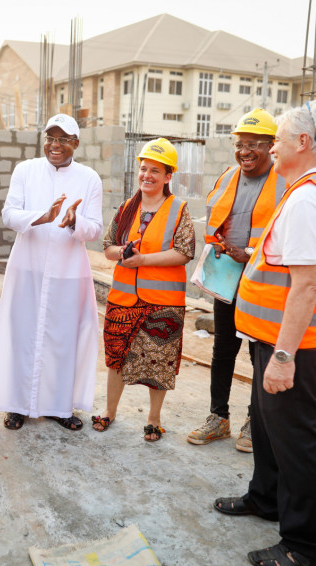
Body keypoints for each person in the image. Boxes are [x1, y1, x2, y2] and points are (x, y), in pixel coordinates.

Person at [214, 101, 316, 566]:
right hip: (272, 340)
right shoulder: (302, 191)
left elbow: (306, 285)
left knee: (297, 444)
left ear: (303, 143)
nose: (272, 147)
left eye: (280, 139)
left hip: (294, 348)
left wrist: (284, 357)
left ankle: (303, 546)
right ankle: (265, 498)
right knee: (270, 432)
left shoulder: (309, 199)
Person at [0, 114, 103, 432]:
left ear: (76, 143)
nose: (55, 145)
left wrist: (74, 221)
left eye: (63, 139)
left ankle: (59, 407)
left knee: (62, 340)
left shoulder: (89, 178)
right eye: (50, 138)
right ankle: (17, 405)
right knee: (22, 334)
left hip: (68, 271)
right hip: (27, 267)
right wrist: (42, 217)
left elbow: (96, 229)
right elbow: (9, 214)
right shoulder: (26, 170)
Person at [187, 108, 285, 452]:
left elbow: (288, 235)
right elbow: (216, 218)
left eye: (254, 144)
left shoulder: (285, 180)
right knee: (223, 350)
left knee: (259, 354)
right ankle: (218, 418)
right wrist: (219, 244)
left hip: (265, 281)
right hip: (228, 276)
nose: (245, 151)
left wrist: (252, 252)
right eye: (240, 144)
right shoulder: (228, 176)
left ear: (272, 146)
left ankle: (255, 422)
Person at [92, 138, 195, 441]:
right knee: (116, 357)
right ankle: (110, 411)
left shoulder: (178, 209)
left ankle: (153, 419)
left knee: (158, 361)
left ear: (168, 176)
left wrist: (143, 260)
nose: (147, 175)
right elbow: (108, 247)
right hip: (123, 299)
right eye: (144, 169)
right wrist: (123, 252)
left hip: (163, 301)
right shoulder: (127, 208)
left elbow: (185, 251)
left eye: (155, 171)